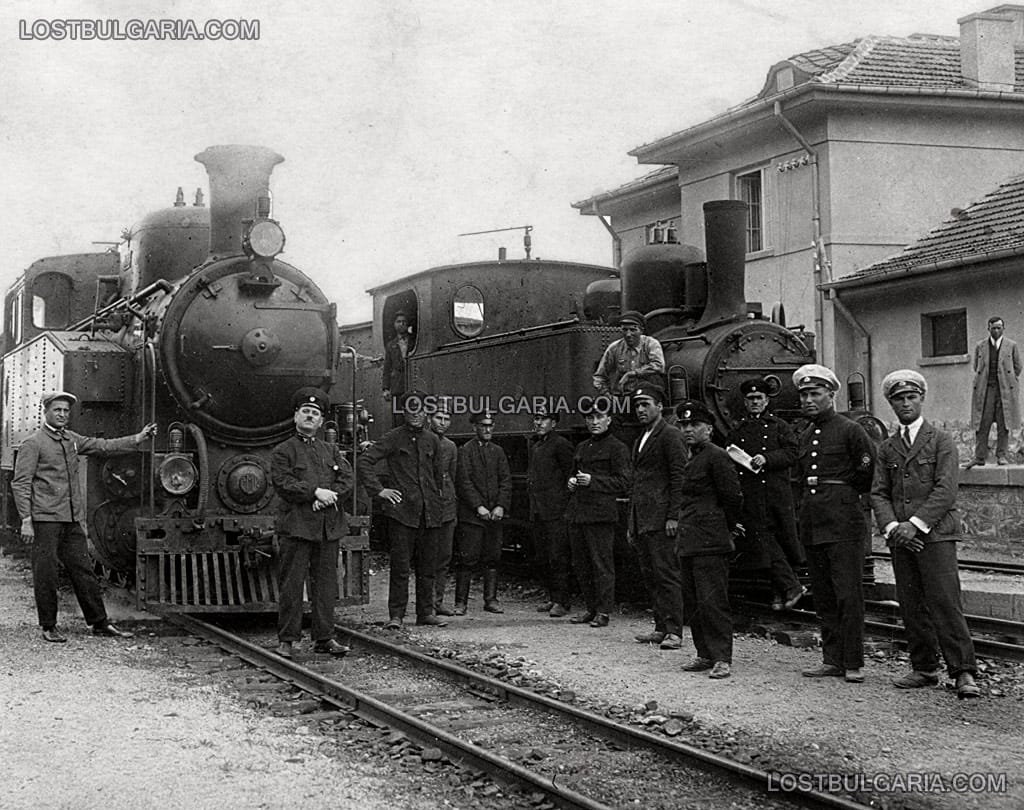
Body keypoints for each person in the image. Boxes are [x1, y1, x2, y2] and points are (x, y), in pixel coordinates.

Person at [12, 391, 156, 643]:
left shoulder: (72, 440)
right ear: (45, 411)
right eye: (57, 410)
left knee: (84, 571)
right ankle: (49, 626)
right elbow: (21, 483)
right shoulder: (33, 443)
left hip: (70, 519)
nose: (62, 415)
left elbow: (103, 446)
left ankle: (100, 623)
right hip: (45, 519)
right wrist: (26, 519)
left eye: (66, 411)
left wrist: (137, 438)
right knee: (46, 574)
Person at [871, 370, 981, 699]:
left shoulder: (941, 440)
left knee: (945, 602)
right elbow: (878, 492)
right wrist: (893, 527)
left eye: (911, 397)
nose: (905, 403)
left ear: (921, 399)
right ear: (890, 403)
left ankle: (963, 672)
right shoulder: (887, 448)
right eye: (898, 399)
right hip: (901, 538)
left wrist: (914, 525)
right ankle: (924, 668)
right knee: (911, 603)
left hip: (935, 535)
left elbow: (946, 490)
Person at [793, 364, 876, 684]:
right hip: (814, 523)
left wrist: (840, 495)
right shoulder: (806, 434)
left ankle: (853, 662)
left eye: (815, 394)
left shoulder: (850, 429)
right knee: (824, 595)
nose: (809, 400)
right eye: (804, 395)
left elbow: (866, 471)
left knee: (848, 594)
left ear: (831, 395)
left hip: (843, 523)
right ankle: (831, 659)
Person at [270, 387, 354, 659]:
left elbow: (347, 480)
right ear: (296, 416)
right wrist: (314, 494)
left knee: (326, 586)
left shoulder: (330, 450)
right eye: (305, 411)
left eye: (315, 413)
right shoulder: (284, 451)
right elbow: (283, 483)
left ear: (320, 422)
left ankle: (324, 637)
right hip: (297, 527)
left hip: (327, 528)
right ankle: (287, 640)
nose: (309, 416)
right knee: (292, 585)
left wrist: (329, 498)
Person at [360, 390, 446, 629]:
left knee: (427, 567)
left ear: (426, 412)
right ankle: (396, 616)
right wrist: (379, 491)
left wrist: (436, 501)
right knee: (400, 567)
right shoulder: (393, 438)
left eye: (420, 410)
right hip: (402, 514)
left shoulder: (433, 440)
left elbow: (437, 476)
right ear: (405, 412)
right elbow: (365, 461)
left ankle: (425, 614)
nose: (416, 414)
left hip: (429, 514)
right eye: (411, 410)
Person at [676, 400, 743, 680]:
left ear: (709, 429)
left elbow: (732, 497)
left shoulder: (717, 457)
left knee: (713, 600)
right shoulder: (690, 456)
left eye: (695, 425)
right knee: (693, 601)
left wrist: (725, 529)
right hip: (689, 539)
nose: (688, 429)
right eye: (684, 425)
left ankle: (721, 658)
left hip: (711, 540)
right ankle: (704, 654)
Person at [727, 377, 805, 611]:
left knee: (779, 540)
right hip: (751, 495)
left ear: (766, 400)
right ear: (745, 402)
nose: (755, 402)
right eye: (751, 399)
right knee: (763, 541)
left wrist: (768, 458)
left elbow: (793, 453)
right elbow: (729, 456)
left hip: (775, 493)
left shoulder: (780, 426)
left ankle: (782, 592)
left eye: (759, 398)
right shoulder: (738, 429)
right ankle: (788, 587)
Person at [628, 384, 687, 649]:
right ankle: (661, 627)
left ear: (660, 406)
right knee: (651, 574)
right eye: (638, 405)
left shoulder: (670, 435)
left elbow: (679, 478)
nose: (641, 410)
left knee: (667, 574)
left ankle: (675, 631)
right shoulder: (642, 437)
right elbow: (637, 484)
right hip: (644, 519)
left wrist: (674, 516)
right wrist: (633, 522)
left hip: (662, 519)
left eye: (646, 404)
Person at [565, 401, 631, 628]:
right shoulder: (582, 447)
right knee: (582, 565)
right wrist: (572, 482)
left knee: (601, 564)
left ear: (609, 419)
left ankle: (603, 611)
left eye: (599, 417)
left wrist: (594, 481)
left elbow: (624, 482)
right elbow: (573, 473)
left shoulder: (617, 447)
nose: (594, 422)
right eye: (590, 418)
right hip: (578, 513)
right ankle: (591, 608)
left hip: (601, 515)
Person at [454, 411, 512, 615]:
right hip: (472, 516)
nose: (487, 429)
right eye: (483, 426)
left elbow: (506, 481)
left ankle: (491, 600)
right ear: (474, 428)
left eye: (490, 426)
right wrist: (478, 506)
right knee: (467, 559)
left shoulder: (498, 451)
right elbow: (464, 482)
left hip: (494, 516)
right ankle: (461, 603)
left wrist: (500, 506)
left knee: (492, 558)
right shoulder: (465, 451)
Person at [527, 403, 575, 617]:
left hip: (556, 511)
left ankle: (562, 602)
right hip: (539, 510)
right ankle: (553, 597)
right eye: (536, 418)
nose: (538, 422)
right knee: (544, 556)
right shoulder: (537, 445)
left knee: (558, 557)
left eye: (543, 419)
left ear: (553, 423)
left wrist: (564, 506)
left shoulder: (561, 445)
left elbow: (569, 476)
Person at [966, 316, 1021, 468]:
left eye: (999, 328)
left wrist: (1007, 381)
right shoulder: (981, 346)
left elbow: (1017, 367)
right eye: (993, 328)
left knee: (1004, 424)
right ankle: (979, 457)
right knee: (983, 423)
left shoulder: (1011, 345)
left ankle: (1001, 456)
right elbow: (977, 367)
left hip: (1005, 389)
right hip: (986, 389)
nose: (996, 330)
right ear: (988, 328)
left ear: (1003, 328)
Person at [592, 310, 665, 396]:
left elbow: (659, 365)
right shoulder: (614, 348)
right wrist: (606, 393)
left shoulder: (651, 344)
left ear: (641, 330)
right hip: (623, 396)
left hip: (647, 395)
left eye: (633, 330)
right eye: (625, 330)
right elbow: (599, 376)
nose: (628, 334)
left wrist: (632, 374)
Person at [429, 399, 458, 617]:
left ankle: (438, 601)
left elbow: (452, 475)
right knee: (428, 555)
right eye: (439, 418)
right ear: (430, 419)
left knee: (444, 557)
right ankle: (426, 602)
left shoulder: (450, 446)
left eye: (446, 419)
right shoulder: (424, 441)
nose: (442, 422)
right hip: (428, 506)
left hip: (447, 506)